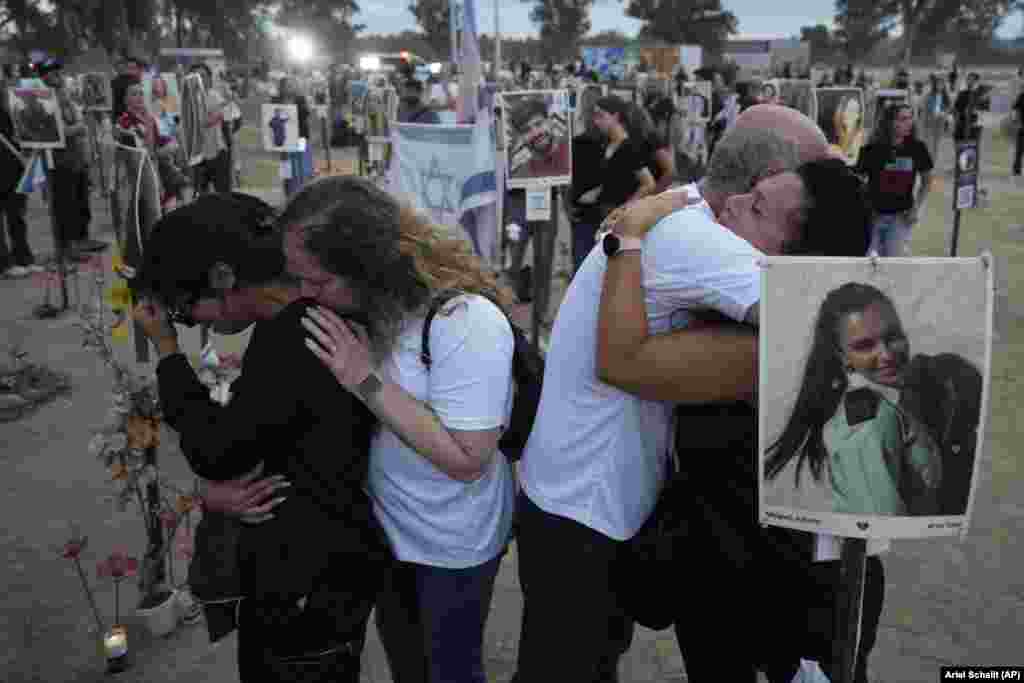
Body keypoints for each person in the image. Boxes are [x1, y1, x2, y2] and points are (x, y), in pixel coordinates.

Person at [513, 103, 872, 683]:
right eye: (808, 179)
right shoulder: (695, 238)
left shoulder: (683, 215)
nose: (814, 194)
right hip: (584, 510)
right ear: (764, 185)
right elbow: (831, 317)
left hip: (581, 496)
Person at [131, 192, 388, 682]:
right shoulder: (314, 313)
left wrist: (168, 351)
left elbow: (216, 450)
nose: (195, 325)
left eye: (187, 312)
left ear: (225, 278)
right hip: (331, 568)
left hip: (306, 580)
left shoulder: (289, 338)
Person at [282, 176, 516, 683]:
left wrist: (361, 378)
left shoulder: (463, 321)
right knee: (409, 668)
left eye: (317, 282)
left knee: (450, 672)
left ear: (366, 267)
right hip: (389, 534)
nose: (304, 295)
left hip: (451, 549)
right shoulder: (366, 308)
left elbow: (467, 459)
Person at [764, 283, 943, 517]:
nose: (887, 354)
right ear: (842, 356)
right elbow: (883, 522)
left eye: (893, 337)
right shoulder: (871, 422)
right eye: (864, 346)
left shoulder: (892, 401)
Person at [568, 96, 656, 274]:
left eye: (601, 116)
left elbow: (648, 184)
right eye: (595, 116)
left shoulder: (629, 147)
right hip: (593, 216)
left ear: (615, 116)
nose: (596, 121)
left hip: (613, 219)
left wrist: (625, 207)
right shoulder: (604, 144)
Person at [855, 103, 934, 257]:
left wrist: (916, 208)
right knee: (868, 262)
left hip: (901, 217)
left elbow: (927, 181)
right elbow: (858, 180)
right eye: (903, 119)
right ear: (889, 122)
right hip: (873, 217)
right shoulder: (871, 149)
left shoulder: (918, 148)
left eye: (910, 118)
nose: (909, 123)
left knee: (893, 261)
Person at [38, 59, 94, 257]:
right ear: (44, 76)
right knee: (64, 203)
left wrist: (78, 127)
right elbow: (57, 129)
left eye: (59, 72)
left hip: (76, 156)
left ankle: (81, 239)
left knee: (80, 200)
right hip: (58, 160)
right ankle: (67, 246)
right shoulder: (43, 98)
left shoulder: (66, 94)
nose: (58, 76)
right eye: (53, 73)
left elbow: (79, 118)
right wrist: (76, 128)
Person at [0, 84, 41, 277]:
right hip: (3, 167)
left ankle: (23, 257)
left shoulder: (11, 104)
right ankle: (4, 264)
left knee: (17, 215)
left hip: (15, 167)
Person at [507, 95, 571, 180]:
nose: (536, 133)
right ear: (521, 137)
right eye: (526, 130)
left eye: (538, 124)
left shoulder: (571, 153)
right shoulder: (523, 174)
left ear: (549, 122)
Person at [191, 63, 231, 194]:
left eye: (203, 76)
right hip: (196, 154)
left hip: (218, 151)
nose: (200, 80)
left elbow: (216, 119)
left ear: (209, 78)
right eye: (196, 77)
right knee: (199, 195)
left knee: (223, 194)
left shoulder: (216, 96)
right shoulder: (187, 100)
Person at [273, 76, 313, 197]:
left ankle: (303, 192)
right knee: (286, 167)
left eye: (292, 85)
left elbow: (305, 115)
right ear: (282, 87)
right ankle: (288, 193)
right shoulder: (276, 100)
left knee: (301, 166)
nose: (289, 87)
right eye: (286, 85)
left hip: (300, 137)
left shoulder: (301, 99)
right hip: (283, 140)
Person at [828, 92, 865, 164]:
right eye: (846, 111)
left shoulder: (860, 138)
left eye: (853, 111)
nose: (846, 115)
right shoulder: (833, 145)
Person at [922, 75, 952, 163]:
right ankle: (928, 160)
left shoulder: (946, 97)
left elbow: (949, 109)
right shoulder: (929, 96)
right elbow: (925, 109)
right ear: (935, 85)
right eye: (938, 84)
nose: (940, 86)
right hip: (930, 123)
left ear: (943, 86)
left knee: (936, 144)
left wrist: (944, 114)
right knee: (929, 144)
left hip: (940, 123)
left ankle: (933, 161)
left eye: (941, 84)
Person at [111, 53, 146, 121]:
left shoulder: (142, 82)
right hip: (124, 117)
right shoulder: (119, 82)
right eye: (128, 68)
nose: (130, 72)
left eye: (133, 68)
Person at [954, 72, 983, 141]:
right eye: (968, 79)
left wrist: (976, 110)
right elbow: (956, 108)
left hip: (974, 124)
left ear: (977, 81)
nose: (970, 81)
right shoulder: (962, 93)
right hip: (962, 123)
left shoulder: (981, 94)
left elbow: (984, 109)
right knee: (960, 144)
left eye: (972, 80)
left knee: (972, 145)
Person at [1013, 85, 1024, 176]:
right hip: (1022, 127)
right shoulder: (1021, 96)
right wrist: (1017, 122)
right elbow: (1016, 110)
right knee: (1019, 149)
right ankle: (1017, 170)